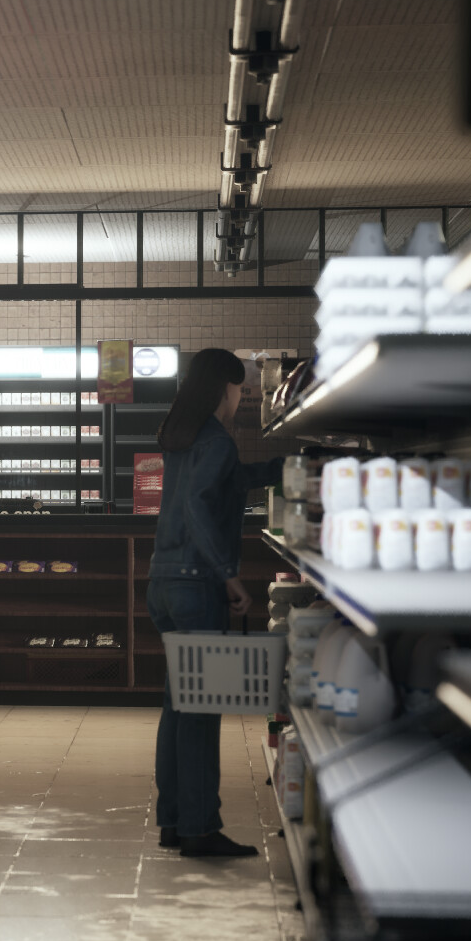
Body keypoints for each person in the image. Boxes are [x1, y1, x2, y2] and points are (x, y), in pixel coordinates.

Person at [148, 348, 282, 858]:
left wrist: (289, 466)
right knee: (201, 711)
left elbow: (231, 480)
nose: (241, 399)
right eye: (241, 389)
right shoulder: (217, 441)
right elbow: (198, 508)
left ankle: (174, 821)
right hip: (197, 585)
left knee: (177, 707)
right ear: (224, 387)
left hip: (163, 582)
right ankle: (200, 829)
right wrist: (229, 575)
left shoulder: (181, 436)